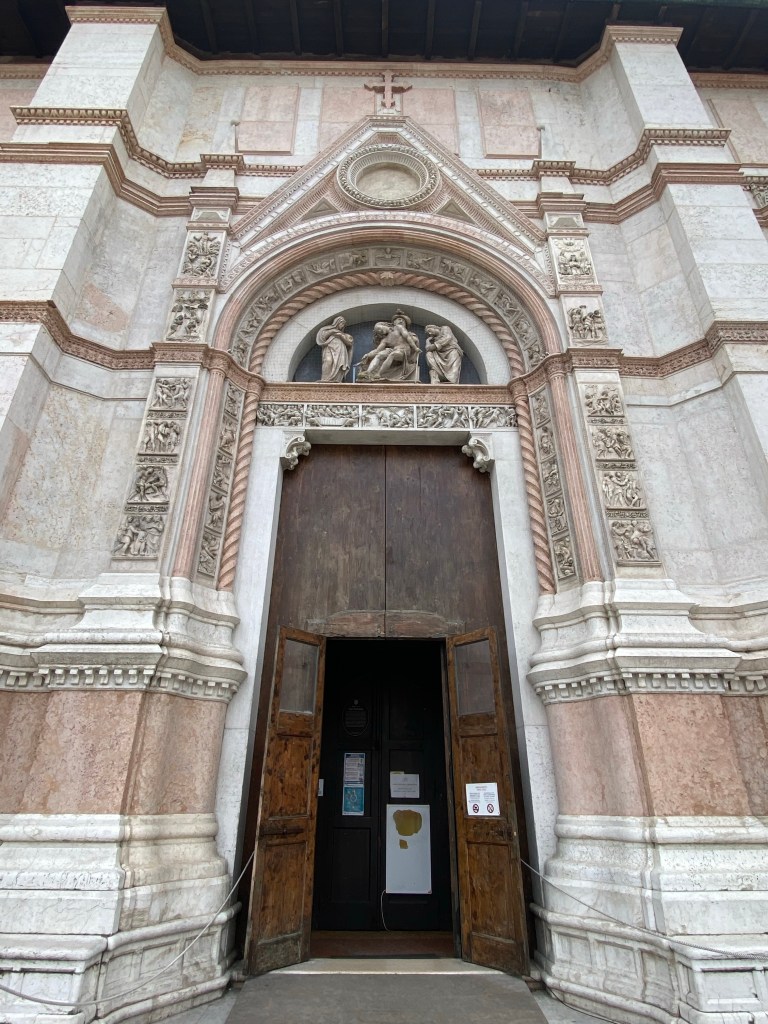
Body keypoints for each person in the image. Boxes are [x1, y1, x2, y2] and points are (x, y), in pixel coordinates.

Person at [357, 311, 420, 383]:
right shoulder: (385, 340)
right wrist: (368, 355)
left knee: (392, 354)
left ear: (385, 325)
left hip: (404, 351)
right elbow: (377, 350)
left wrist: (415, 348)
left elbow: (407, 337)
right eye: (378, 331)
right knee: (379, 355)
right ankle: (368, 372)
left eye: (380, 328)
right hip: (394, 350)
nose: (380, 331)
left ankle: (379, 374)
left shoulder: (398, 327)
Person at [316, 316, 354, 382]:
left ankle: (336, 379)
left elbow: (349, 343)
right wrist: (333, 331)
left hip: (340, 351)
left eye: (343, 324)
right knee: (328, 361)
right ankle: (325, 379)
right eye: (342, 323)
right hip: (329, 348)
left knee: (339, 365)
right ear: (337, 323)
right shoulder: (328, 330)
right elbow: (322, 337)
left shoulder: (343, 335)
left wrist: (341, 336)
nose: (342, 326)